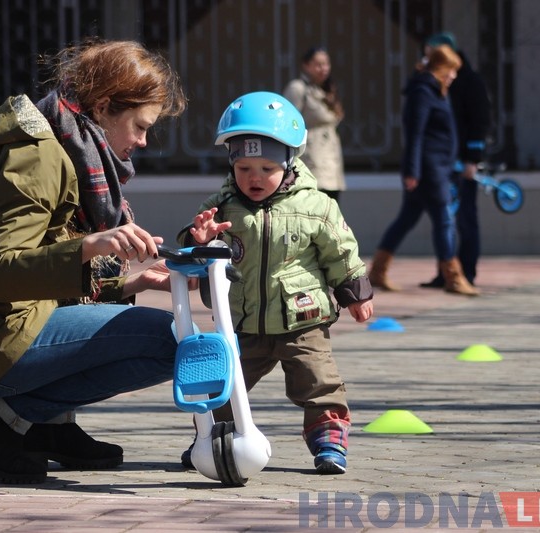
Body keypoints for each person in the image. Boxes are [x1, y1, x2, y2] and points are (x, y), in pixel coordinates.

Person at [0, 39, 187, 484]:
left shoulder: (65, 144)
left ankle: (48, 426)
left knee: (146, 326)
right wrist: (92, 245)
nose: (142, 141)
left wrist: (131, 284)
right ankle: (5, 419)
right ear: (103, 107)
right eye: (139, 126)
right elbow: (1, 273)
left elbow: (45, 270)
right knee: (173, 340)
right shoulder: (39, 155)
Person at [178, 91, 374, 475]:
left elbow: (340, 252)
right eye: (244, 168)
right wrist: (198, 239)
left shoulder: (316, 206)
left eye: (266, 168)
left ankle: (328, 439)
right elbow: (196, 253)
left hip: (303, 319)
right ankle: (212, 439)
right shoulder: (223, 207)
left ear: (289, 162)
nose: (254, 178)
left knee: (319, 381)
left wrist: (355, 291)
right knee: (226, 385)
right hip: (242, 322)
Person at [368, 45, 478, 296]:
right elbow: (415, 134)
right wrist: (412, 172)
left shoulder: (437, 91)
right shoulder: (423, 92)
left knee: (407, 218)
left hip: (438, 168)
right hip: (429, 171)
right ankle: (453, 277)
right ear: (440, 68)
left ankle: (378, 270)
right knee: (444, 220)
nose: (454, 76)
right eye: (451, 70)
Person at [418, 32, 492, 289]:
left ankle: (467, 272)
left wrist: (473, 159)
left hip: (462, 164)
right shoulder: (434, 83)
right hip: (442, 164)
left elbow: (479, 123)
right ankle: (446, 273)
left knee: (465, 218)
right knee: (443, 220)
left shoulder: (469, 81)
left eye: (432, 54)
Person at [283, 46, 346, 204]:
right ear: (306, 65)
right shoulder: (298, 89)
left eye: (326, 64)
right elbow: (287, 123)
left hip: (332, 159)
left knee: (331, 208)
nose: (323, 68)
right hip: (311, 158)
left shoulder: (327, 90)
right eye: (318, 64)